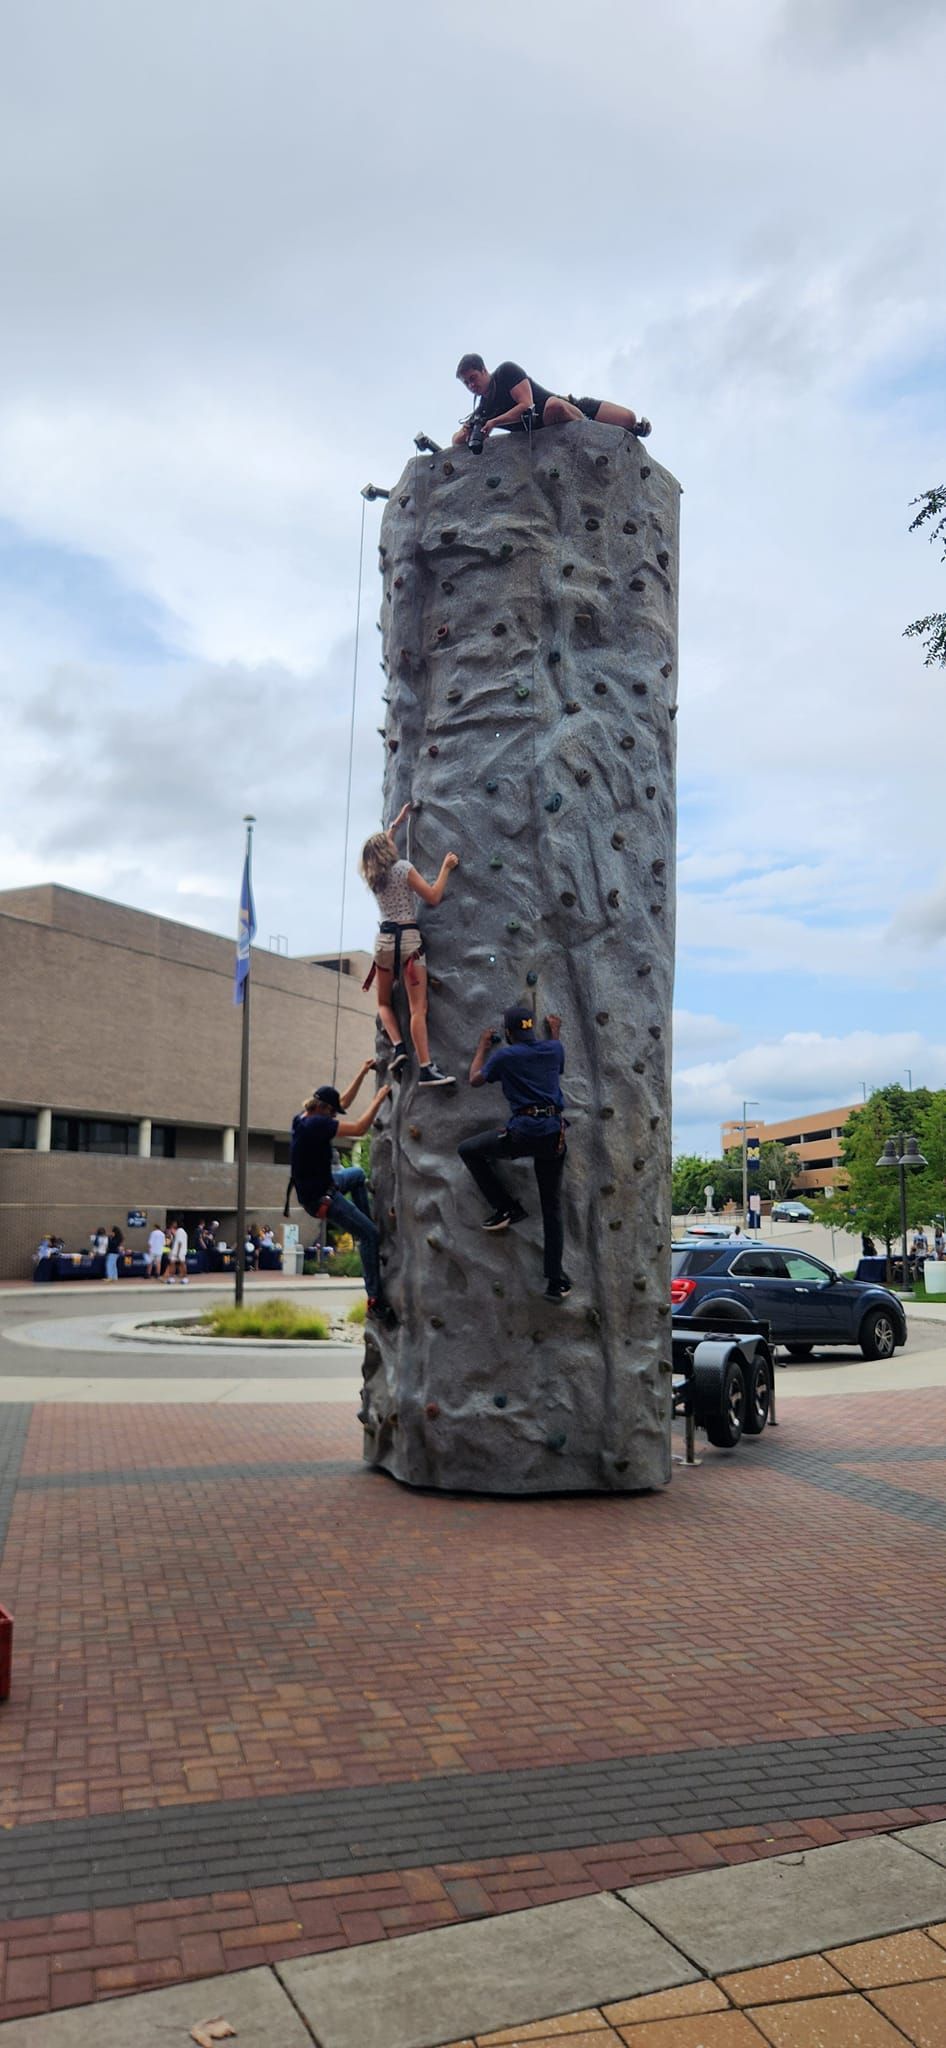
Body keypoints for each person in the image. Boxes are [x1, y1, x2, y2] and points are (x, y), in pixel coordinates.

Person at [458, 1005, 570, 1304]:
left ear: (508, 1033)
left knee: (468, 1150)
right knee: (552, 1208)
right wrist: (555, 1030)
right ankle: (556, 1281)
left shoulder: (506, 1055)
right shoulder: (553, 1049)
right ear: (532, 1028)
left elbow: (475, 1079)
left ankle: (507, 1207)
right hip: (553, 1135)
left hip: (523, 1133)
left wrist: (482, 1047)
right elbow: (556, 1059)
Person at [360, 804, 458, 1086]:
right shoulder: (403, 869)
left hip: (384, 943)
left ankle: (399, 1047)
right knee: (418, 1008)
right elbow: (433, 896)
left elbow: (383, 844)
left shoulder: (373, 876)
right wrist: (446, 867)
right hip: (409, 942)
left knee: (383, 1002)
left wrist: (397, 822)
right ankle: (426, 1066)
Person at [289, 1072, 393, 1323]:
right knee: (370, 1235)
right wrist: (379, 1098)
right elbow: (359, 1128)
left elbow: (341, 1103)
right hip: (323, 1199)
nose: (335, 1116)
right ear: (323, 1109)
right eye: (332, 1113)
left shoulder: (302, 1118)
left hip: (326, 1184)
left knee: (356, 1174)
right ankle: (375, 1301)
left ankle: (366, 1223)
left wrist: (362, 1071)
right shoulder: (318, 1125)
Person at [453, 354, 651, 447]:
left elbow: (526, 405)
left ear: (484, 370)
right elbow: (456, 442)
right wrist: (469, 430)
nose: (471, 386)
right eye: (466, 383)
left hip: (569, 405)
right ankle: (596, 434)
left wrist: (495, 422)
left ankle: (603, 426)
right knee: (553, 409)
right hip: (549, 423)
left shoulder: (506, 372)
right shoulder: (483, 411)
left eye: (473, 378)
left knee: (628, 418)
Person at [164, 1218, 189, 1286]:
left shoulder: (180, 1231)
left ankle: (185, 1278)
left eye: (174, 1223)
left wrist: (177, 1253)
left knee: (182, 1264)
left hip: (179, 1252)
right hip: (175, 1251)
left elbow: (180, 1243)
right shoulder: (177, 1232)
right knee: (172, 1263)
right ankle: (171, 1278)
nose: (173, 1225)